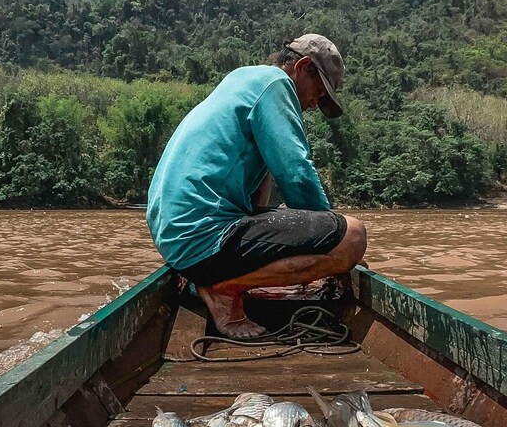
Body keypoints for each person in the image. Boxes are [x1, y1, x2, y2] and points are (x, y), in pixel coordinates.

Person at [146, 34, 367, 339]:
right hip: (203, 236)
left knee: (298, 218)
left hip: (178, 240)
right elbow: (296, 174)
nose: (315, 104)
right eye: (318, 91)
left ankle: (217, 280)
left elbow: (257, 194)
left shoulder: (243, 79)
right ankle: (223, 290)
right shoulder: (276, 84)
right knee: (353, 236)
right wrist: (334, 243)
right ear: (301, 67)